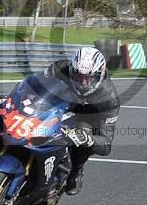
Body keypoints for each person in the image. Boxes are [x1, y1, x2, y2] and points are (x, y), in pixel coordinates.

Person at [44, 46, 120, 195]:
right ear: (72, 70)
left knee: (84, 135)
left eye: (89, 78)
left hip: (87, 116)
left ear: (99, 75)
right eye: (79, 77)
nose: (83, 82)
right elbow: (34, 86)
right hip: (59, 105)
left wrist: (88, 139)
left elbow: (106, 145)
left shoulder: (109, 98)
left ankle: (76, 169)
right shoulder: (58, 69)